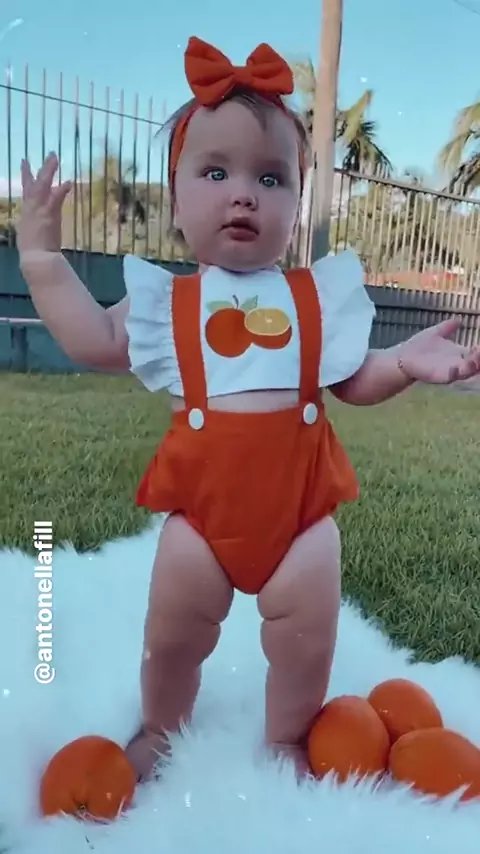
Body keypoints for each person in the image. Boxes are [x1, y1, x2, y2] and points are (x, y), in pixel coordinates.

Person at [16, 36, 480, 784]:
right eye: (216, 172)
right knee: (173, 637)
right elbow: (93, 337)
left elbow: (353, 380)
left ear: (296, 204)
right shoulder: (169, 302)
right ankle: (161, 727)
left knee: (307, 641)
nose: (244, 194)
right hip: (200, 522)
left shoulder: (313, 299)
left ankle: (288, 736)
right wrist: (42, 262)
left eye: (270, 177)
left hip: (301, 520)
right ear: (176, 201)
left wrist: (402, 363)